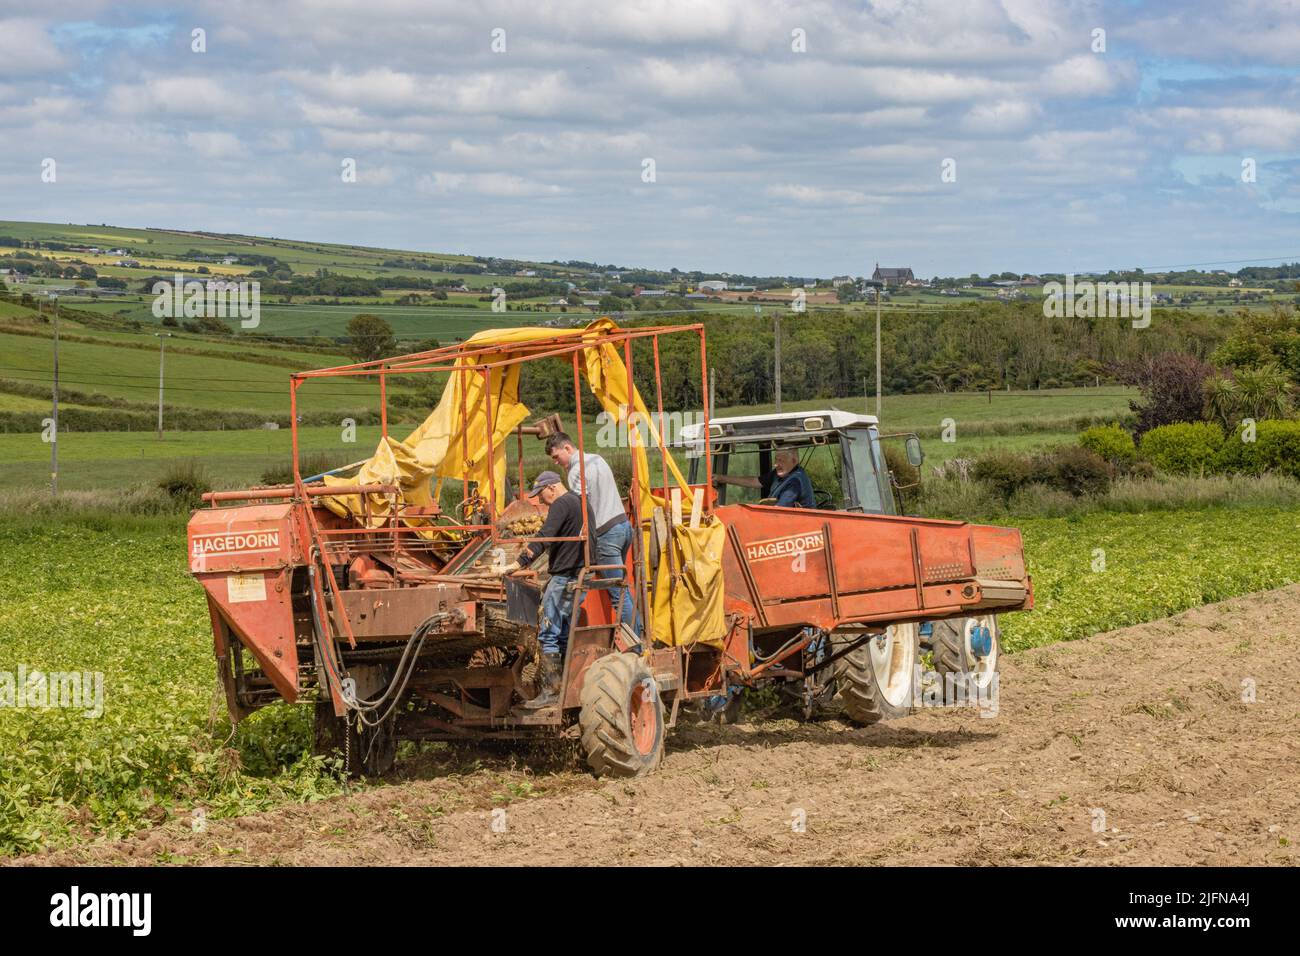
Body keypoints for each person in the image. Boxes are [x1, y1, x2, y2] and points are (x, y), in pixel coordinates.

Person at [498, 471, 595, 709]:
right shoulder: (581, 502)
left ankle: (551, 692)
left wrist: (519, 563)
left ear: (551, 487)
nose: (540, 502)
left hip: (565, 576)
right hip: (579, 574)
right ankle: (562, 689)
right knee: (562, 633)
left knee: (549, 633)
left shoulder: (562, 504)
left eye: (541, 495)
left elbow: (544, 536)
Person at [544, 432, 639, 634]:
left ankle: (637, 647)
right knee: (622, 589)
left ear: (567, 448)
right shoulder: (597, 459)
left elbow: (579, 509)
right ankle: (633, 638)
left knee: (618, 595)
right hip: (623, 527)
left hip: (606, 534)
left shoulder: (576, 471)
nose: (556, 463)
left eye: (556, 457)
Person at [713, 447, 816, 508]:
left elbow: (779, 510)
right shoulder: (780, 473)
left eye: (781, 461)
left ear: (794, 461)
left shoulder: (795, 481)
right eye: (776, 460)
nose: (776, 464)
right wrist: (722, 478)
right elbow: (755, 481)